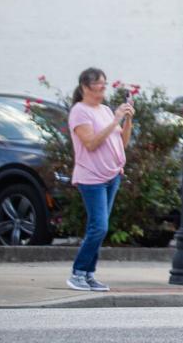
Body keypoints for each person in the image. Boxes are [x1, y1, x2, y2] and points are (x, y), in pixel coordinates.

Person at [67, 67, 132, 292]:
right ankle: (78, 273)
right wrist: (115, 119)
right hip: (91, 177)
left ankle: (88, 274)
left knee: (99, 228)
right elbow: (91, 143)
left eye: (105, 83)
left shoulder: (104, 110)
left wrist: (127, 121)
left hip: (112, 175)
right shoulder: (80, 111)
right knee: (99, 227)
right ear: (86, 87)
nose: (103, 88)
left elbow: (121, 143)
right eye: (99, 84)